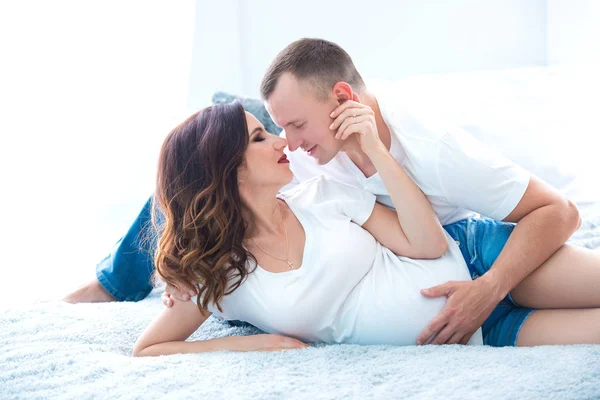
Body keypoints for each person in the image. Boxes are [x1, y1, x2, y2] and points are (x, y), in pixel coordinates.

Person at [66, 38, 593, 346]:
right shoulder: (296, 166)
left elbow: (555, 211)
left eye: (292, 126)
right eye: (272, 130)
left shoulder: (431, 149)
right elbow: (188, 189)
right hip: (461, 326)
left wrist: (491, 286)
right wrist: (181, 271)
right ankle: (111, 280)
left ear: (342, 101)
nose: (286, 144)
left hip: (475, 254)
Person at [132, 101, 600, 357]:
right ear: (224, 168)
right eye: (259, 137)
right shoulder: (218, 275)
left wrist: (376, 151)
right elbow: (150, 348)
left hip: (479, 260)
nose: (280, 140)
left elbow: (428, 242)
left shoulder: (319, 194)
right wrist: (252, 343)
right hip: (473, 332)